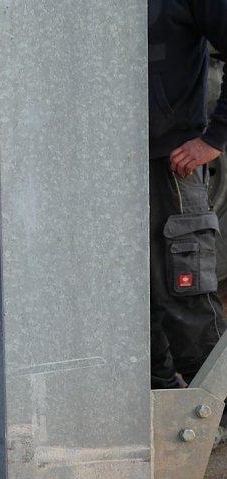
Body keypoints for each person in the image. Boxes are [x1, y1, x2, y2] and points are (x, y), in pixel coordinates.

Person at [148, 0, 227, 442]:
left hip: (172, 167)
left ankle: (218, 411)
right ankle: (157, 405)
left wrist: (214, 139)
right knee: (126, 300)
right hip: (105, 168)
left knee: (186, 296)